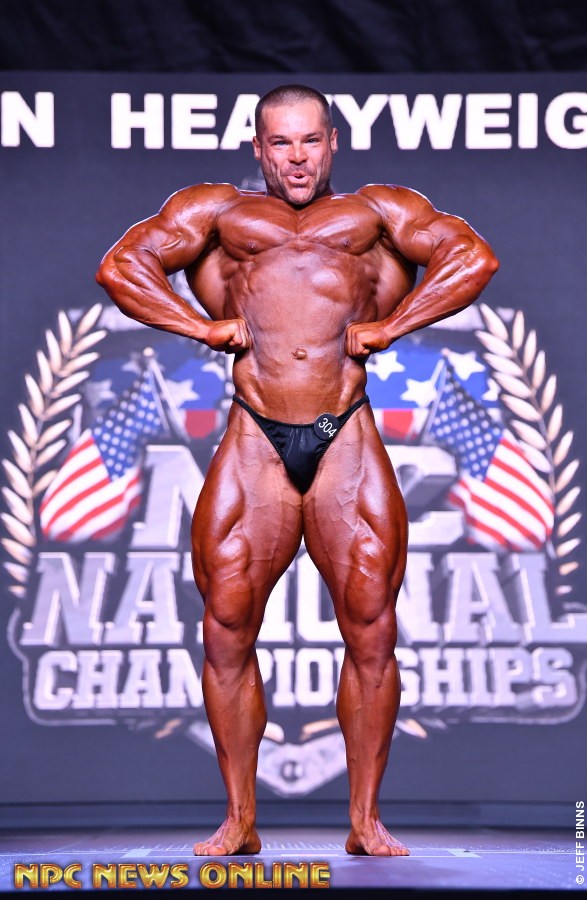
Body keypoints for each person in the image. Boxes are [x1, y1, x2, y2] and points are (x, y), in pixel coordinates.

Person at [96, 84, 498, 857]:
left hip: (346, 432)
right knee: (225, 628)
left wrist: (393, 326)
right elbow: (121, 267)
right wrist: (199, 327)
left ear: (332, 141)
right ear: (258, 148)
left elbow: (472, 257)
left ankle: (365, 821)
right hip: (256, 436)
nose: (298, 158)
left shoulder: (377, 212)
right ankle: (239, 819)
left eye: (310, 140)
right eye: (280, 143)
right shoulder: (218, 213)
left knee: (372, 627)